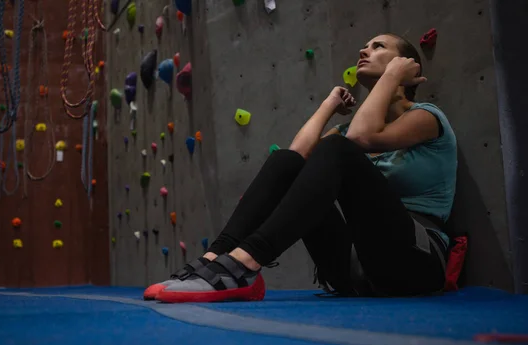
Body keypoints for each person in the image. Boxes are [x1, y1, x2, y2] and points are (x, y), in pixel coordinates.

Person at [144, 33, 458, 303]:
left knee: (337, 148)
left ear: (404, 65)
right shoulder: (351, 131)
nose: (364, 51)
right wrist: (330, 103)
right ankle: (217, 257)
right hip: (358, 268)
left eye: (378, 47)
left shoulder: (426, 118)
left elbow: (363, 137)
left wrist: (392, 77)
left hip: (416, 262)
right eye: (365, 46)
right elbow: (296, 157)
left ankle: (245, 264)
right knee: (286, 160)